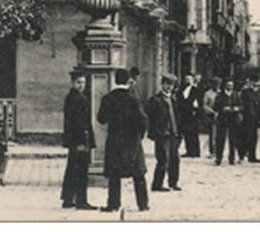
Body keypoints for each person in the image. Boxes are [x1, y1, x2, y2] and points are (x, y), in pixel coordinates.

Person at [97, 68, 150, 212]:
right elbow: (143, 121)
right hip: (132, 141)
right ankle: (143, 204)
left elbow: (101, 119)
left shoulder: (108, 98)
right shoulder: (133, 99)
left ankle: (113, 204)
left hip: (115, 140)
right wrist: (139, 136)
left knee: (114, 175)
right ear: (128, 81)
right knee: (138, 174)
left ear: (115, 80)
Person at [61, 71, 97, 209]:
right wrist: (82, 142)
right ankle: (81, 201)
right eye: (78, 82)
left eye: (83, 82)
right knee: (81, 170)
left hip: (76, 139)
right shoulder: (76, 98)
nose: (81, 85)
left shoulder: (73, 97)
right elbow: (77, 123)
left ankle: (68, 198)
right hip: (80, 139)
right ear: (72, 83)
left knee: (72, 169)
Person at [145, 74, 182, 191]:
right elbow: (149, 117)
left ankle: (173, 182)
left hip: (173, 133)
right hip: (162, 134)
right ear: (162, 84)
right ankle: (157, 184)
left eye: (172, 85)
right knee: (163, 159)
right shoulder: (155, 100)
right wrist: (153, 132)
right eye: (167, 84)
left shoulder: (174, 100)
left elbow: (178, 117)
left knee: (175, 159)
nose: (169, 87)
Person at [214, 78, 243, 166]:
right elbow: (216, 106)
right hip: (222, 119)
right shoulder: (220, 95)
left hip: (233, 119)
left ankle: (232, 158)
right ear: (225, 86)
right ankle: (218, 158)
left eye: (231, 85)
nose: (230, 87)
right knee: (220, 139)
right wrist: (222, 108)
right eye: (228, 85)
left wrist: (237, 108)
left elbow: (241, 105)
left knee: (233, 140)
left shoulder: (236, 95)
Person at [240, 78, 260, 162]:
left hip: (255, 119)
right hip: (246, 119)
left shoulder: (257, 94)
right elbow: (243, 105)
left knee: (254, 138)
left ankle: (252, 156)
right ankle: (242, 155)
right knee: (245, 137)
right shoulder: (245, 92)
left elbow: (259, 108)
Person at [177, 74, 201, 158]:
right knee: (186, 133)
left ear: (192, 80)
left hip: (192, 114)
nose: (187, 81)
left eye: (189, 79)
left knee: (193, 133)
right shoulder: (181, 90)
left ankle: (195, 151)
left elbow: (197, 101)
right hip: (184, 114)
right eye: (186, 79)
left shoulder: (196, 90)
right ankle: (189, 150)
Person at [199, 78, 220, 158]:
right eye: (215, 84)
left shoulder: (220, 93)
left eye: (218, 84)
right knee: (213, 134)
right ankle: (213, 151)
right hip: (211, 116)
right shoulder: (208, 94)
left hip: (221, 116)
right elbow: (204, 105)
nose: (217, 86)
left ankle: (219, 150)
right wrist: (213, 112)